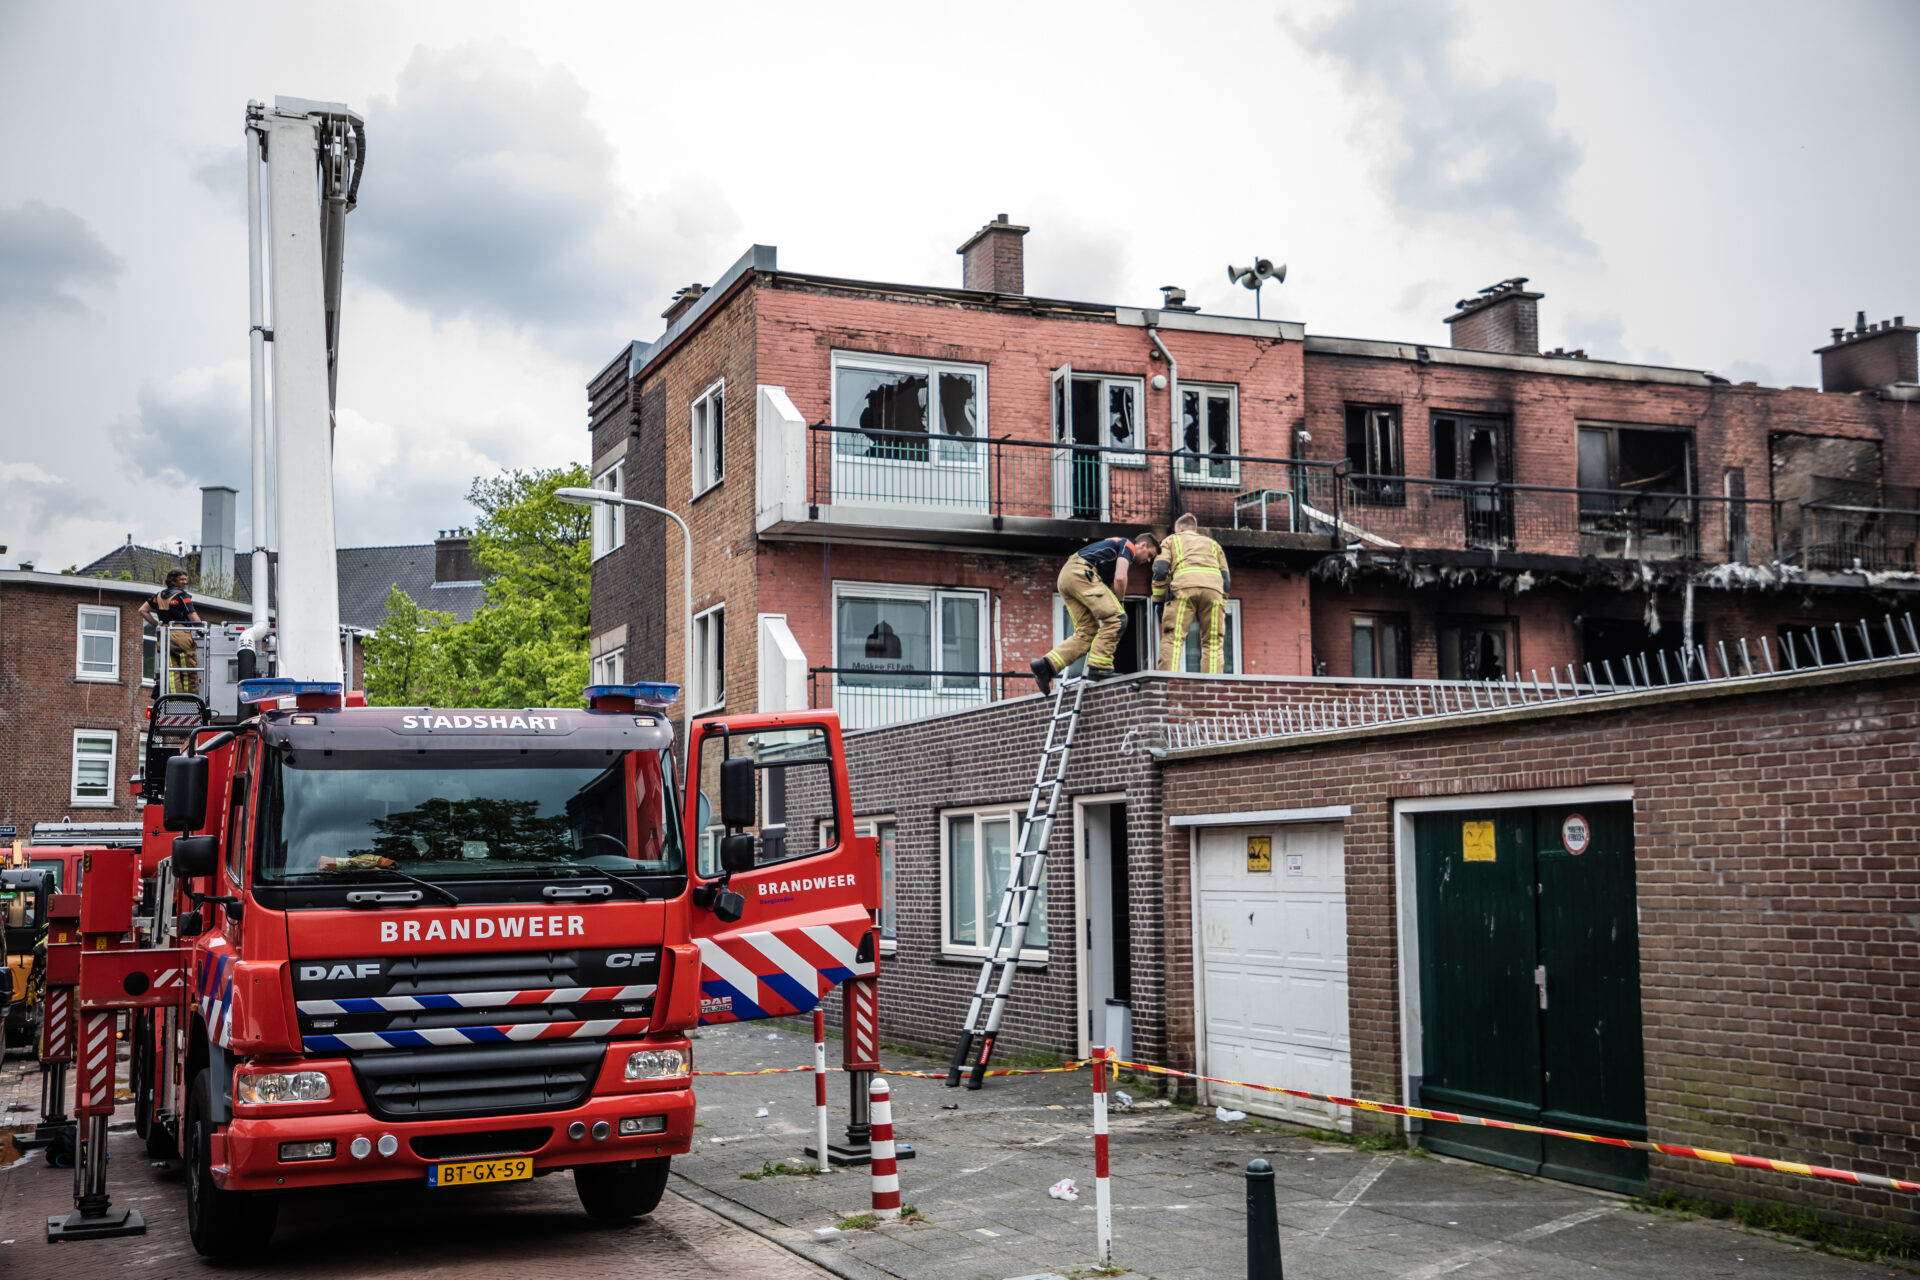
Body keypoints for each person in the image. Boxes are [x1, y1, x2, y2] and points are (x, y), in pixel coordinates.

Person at [1032, 532, 1159, 694]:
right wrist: (1120, 603)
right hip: (1081, 572)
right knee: (1117, 618)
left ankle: (1046, 666)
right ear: (1142, 545)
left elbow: (1104, 587)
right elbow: (1120, 578)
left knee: (1087, 632)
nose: (1148, 561)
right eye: (1149, 555)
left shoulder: (1107, 557)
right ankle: (1100, 665)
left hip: (1067, 577)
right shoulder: (1128, 545)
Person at [1153, 513, 1231, 673]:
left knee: (1173, 638)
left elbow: (1160, 570)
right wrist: (1222, 604)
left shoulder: (1172, 540)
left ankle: (1169, 682)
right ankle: (1213, 686)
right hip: (1214, 592)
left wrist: (1159, 600)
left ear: (1180, 528)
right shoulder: (1214, 545)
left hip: (1184, 588)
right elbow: (1226, 579)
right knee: (1214, 642)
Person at [138, 569, 202, 695]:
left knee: (172, 672)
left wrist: (157, 625)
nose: (185, 582)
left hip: (164, 636)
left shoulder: (158, 596)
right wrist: (202, 630)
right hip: (181, 635)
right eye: (182, 579)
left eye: (185, 579)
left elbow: (142, 610)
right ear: (173, 580)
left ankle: (175, 699)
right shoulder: (182, 596)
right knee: (188, 670)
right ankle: (189, 700)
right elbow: (194, 619)